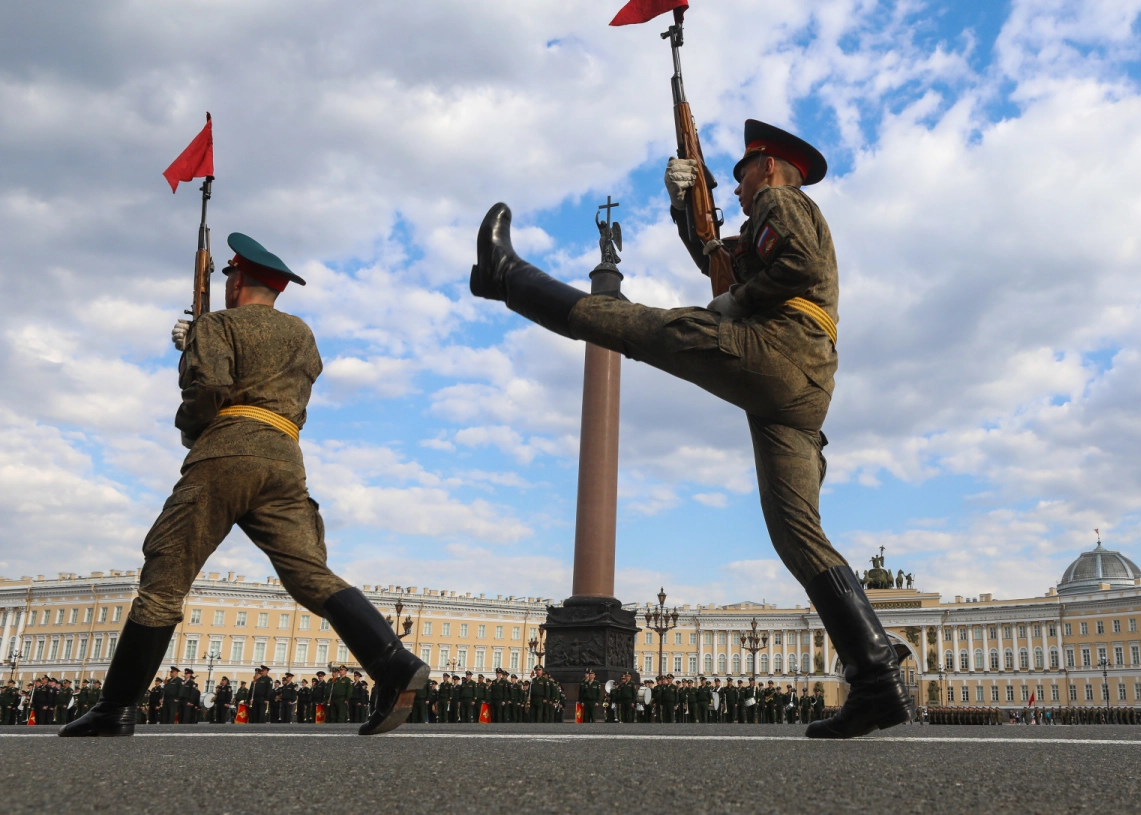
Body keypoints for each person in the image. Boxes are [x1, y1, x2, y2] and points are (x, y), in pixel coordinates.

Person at [468, 119, 911, 739]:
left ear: (770, 168)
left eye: (742, 174)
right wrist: (685, 208)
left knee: (651, 329)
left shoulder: (783, 199)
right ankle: (876, 677)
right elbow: (724, 262)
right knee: (796, 531)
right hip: (805, 383)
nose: (736, 190)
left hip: (780, 349)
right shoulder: (769, 216)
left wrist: (740, 303)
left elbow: (784, 269)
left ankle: (506, 277)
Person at [60, 233, 428, 738]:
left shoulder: (217, 324)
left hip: (229, 449)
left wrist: (195, 359)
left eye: (229, 277)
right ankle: (391, 661)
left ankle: (115, 707)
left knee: (167, 569)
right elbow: (282, 377)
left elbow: (210, 387)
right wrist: (201, 342)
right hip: (285, 456)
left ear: (236, 283)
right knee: (309, 574)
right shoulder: (302, 333)